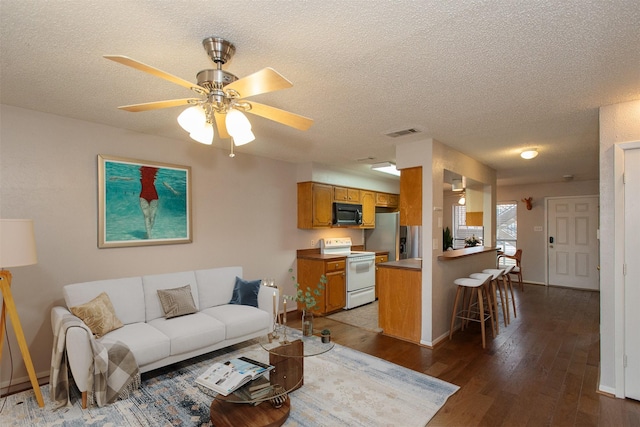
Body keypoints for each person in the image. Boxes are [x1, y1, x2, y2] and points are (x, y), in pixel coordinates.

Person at [139, 166, 159, 239]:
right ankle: (149, 236)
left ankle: (148, 233)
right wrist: (117, 177)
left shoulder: (154, 174)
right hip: (143, 197)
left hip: (154, 197)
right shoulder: (141, 171)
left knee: (152, 216)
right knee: (147, 216)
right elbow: (128, 178)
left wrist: (172, 190)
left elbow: (164, 181)